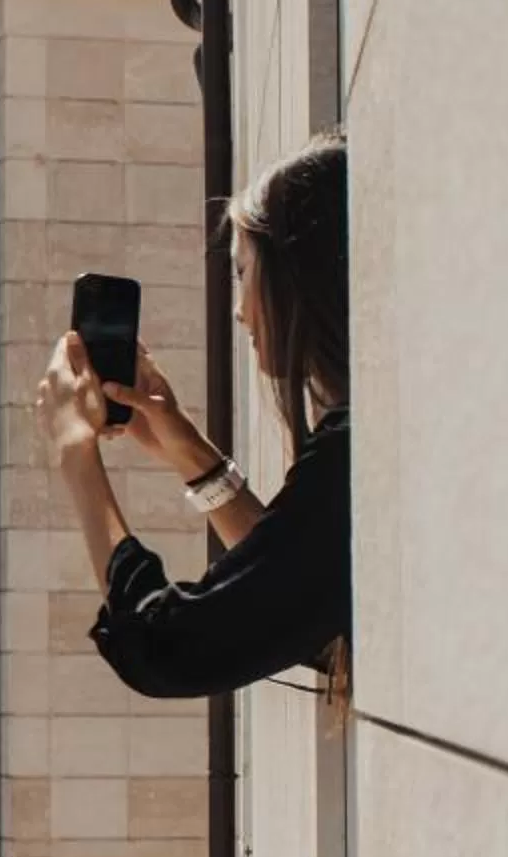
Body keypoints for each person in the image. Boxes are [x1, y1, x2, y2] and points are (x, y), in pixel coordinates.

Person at [32, 133, 350, 699]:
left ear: (298, 276)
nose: (239, 309)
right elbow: (291, 596)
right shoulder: (364, 442)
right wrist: (190, 455)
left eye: (243, 273)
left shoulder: (353, 451)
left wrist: (76, 455)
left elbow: (171, 647)